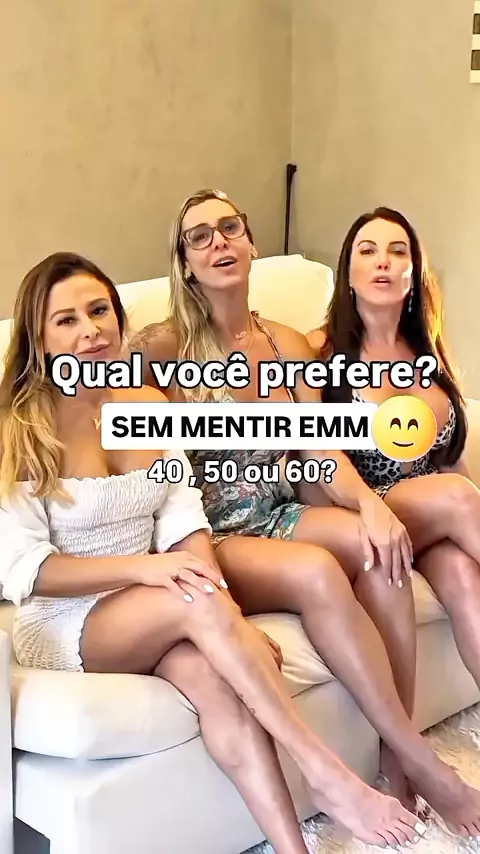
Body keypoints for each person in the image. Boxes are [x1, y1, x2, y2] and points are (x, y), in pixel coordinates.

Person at [0, 252, 432, 854]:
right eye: (66, 320)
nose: (90, 331)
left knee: (219, 687)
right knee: (193, 597)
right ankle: (324, 772)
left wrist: (229, 622)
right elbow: (27, 571)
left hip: (154, 603)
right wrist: (153, 571)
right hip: (68, 621)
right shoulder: (20, 427)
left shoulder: (147, 408)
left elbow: (185, 518)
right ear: (39, 337)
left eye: (99, 311)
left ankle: (293, 849)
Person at [132, 188, 480, 840]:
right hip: (211, 532)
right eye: (199, 236)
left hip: (279, 511)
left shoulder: (287, 343)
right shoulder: (161, 349)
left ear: (251, 242)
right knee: (319, 569)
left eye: (229, 228)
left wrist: (370, 506)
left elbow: (319, 450)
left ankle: (396, 757)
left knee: (377, 547)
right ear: (184, 261)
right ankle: (420, 760)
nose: (218, 242)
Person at [306, 205, 480, 753]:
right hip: (366, 509)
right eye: (368, 251)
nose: (383, 261)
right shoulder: (320, 350)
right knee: (457, 498)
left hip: (430, 515)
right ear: (348, 273)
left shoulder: (428, 350)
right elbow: (318, 454)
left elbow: (450, 460)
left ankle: (401, 761)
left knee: (463, 577)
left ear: (413, 272)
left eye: (397, 251)